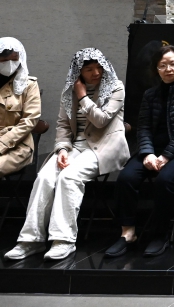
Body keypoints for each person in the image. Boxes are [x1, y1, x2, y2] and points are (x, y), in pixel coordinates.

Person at [5, 48, 128, 261]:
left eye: (98, 67)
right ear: (79, 72)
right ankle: (30, 240)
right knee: (44, 177)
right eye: (89, 69)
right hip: (74, 147)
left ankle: (64, 241)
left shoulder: (115, 87)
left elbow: (101, 120)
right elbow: (63, 125)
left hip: (103, 147)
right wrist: (62, 149)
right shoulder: (69, 90)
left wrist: (82, 96)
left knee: (69, 177)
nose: (96, 73)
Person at [106, 45, 174, 258]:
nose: (168, 69)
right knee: (126, 178)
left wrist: (166, 156)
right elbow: (143, 127)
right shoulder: (150, 94)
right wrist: (148, 153)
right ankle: (127, 232)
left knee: (165, 180)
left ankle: (160, 234)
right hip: (154, 151)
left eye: (172, 64)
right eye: (162, 65)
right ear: (156, 69)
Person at [0, 37, 41, 177]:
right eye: (4, 60)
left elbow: (30, 121)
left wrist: (2, 143)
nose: (9, 64)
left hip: (17, 144)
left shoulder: (29, 85)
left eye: (14, 59)